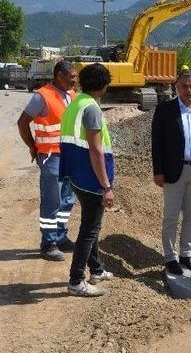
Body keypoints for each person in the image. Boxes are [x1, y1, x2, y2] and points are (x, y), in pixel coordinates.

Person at [60, 63, 116, 296]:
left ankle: (96, 269)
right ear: (103, 85)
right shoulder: (91, 108)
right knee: (90, 230)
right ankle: (76, 281)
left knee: (91, 225)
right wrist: (106, 186)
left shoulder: (76, 102)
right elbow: (95, 149)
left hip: (76, 174)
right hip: (90, 177)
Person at [152, 70, 191, 275]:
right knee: (171, 216)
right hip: (173, 171)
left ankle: (186, 253)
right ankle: (170, 257)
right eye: (185, 86)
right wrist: (158, 171)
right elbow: (157, 144)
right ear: (176, 87)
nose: (189, 90)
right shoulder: (164, 110)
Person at [17, 61, 78, 261]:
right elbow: (22, 122)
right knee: (52, 200)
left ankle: (61, 237)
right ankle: (48, 243)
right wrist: (32, 146)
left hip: (70, 156)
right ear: (59, 75)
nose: (75, 79)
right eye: (72, 76)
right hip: (52, 156)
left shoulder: (72, 95)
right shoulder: (42, 96)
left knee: (68, 199)